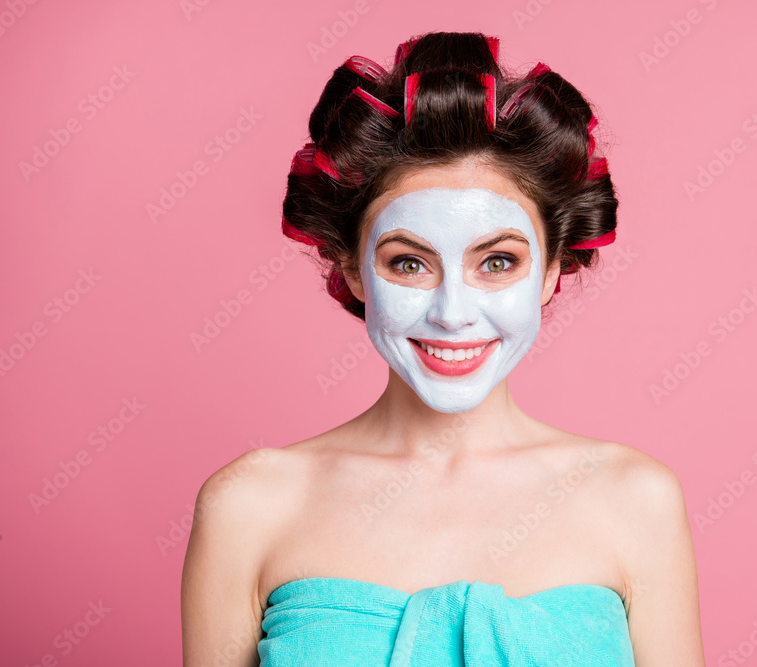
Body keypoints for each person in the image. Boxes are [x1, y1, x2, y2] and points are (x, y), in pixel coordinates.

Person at [181, 31, 704, 667]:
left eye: (499, 261)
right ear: (351, 269)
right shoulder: (249, 506)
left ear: (549, 272)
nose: (452, 313)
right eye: (408, 263)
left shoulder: (635, 500)